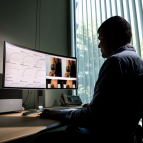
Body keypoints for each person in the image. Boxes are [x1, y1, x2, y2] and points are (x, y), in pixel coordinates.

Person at [34, 16, 143, 143]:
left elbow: (93, 117)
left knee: (41, 139)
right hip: (126, 136)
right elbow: (123, 107)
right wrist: (95, 107)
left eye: (100, 39)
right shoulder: (138, 61)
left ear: (112, 35)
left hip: (106, 137)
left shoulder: (116, 61)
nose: (98, 45)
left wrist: (59, 114)